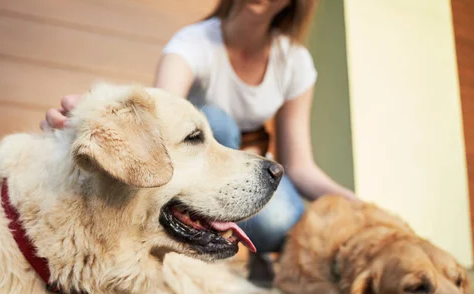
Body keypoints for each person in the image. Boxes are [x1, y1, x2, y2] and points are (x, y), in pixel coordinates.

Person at [42, 0, 357, 279]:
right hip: (198, 165)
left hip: (244, 164)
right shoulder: (194, 42)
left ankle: (239, 246)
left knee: (285, 219)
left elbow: (299, 166)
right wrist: (96, 114)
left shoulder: (295, 62)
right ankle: (204, 235)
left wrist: (355, 203)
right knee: (216, 121)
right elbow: (160, 111)